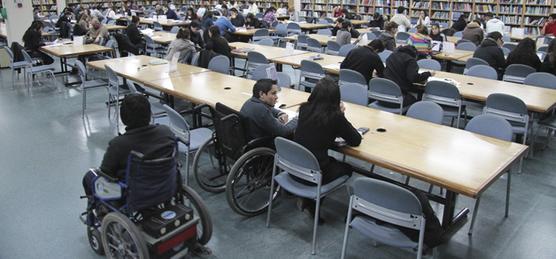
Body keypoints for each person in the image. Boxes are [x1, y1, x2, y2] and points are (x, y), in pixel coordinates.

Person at [81, 94, 176, 198]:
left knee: (89, 177)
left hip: (135, 193)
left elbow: (106, 173)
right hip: (165, 184)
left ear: (123, 118)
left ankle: (100, 209)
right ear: (149, 113)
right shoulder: (166, 132)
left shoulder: (118, 144)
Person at [293, 77, 361, 220]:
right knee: (347, 168)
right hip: (315, 172)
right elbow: (355, 140)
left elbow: (316, 131)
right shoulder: (335, 116)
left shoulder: (304, 108)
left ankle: (310, 201)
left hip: (295, 167)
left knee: (330, 161)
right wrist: (341, 114)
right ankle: (314, 202)